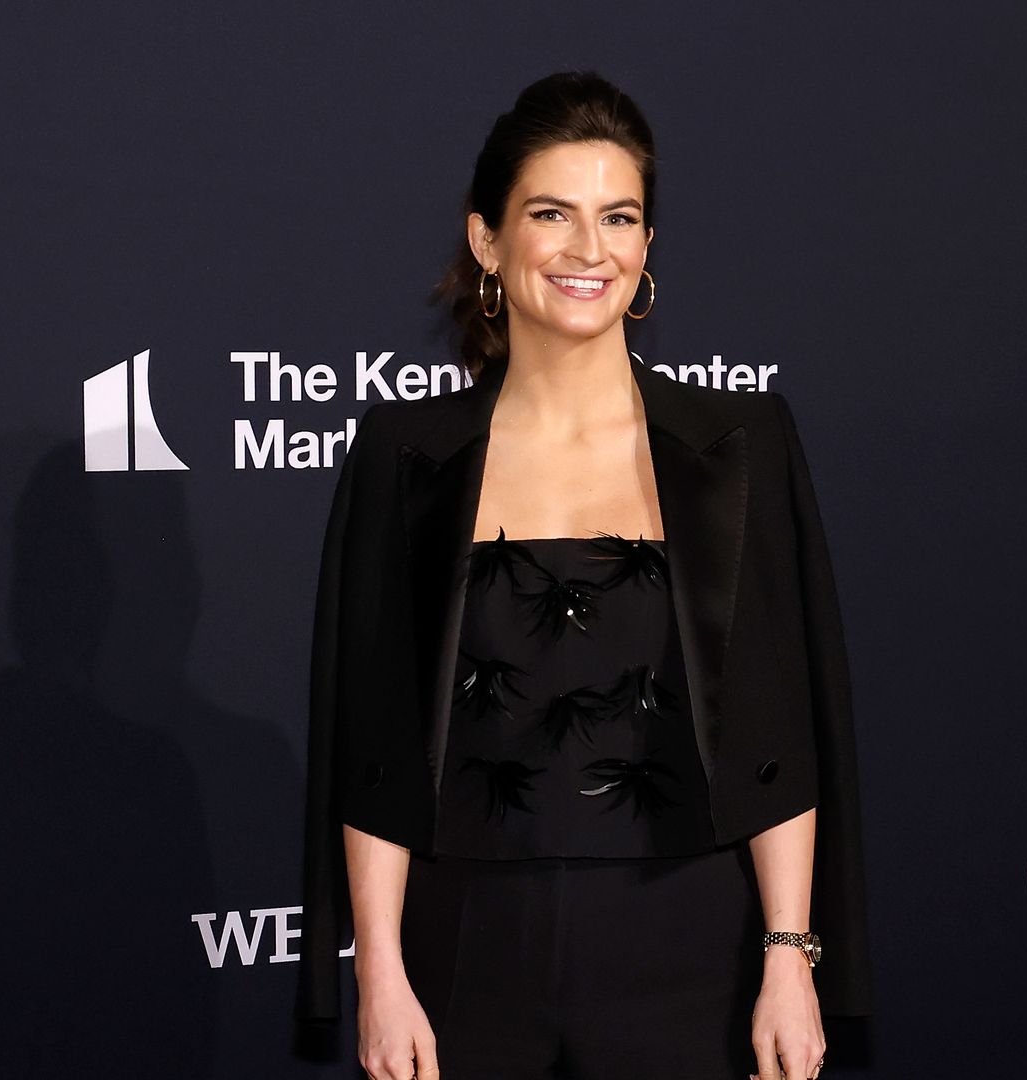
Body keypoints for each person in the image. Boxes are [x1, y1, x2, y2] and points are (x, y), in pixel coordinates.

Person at [297, 71, 871, 1080]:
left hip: (693, 946)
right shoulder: (403, 453)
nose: (587, 250)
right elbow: (371, 738)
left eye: (620, 217)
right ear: (487, 239)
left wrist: (789, 956)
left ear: (647, 247)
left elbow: (781, 723)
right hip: (463, 949)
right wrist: (380, 974)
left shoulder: (740, 445)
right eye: (551, 213)